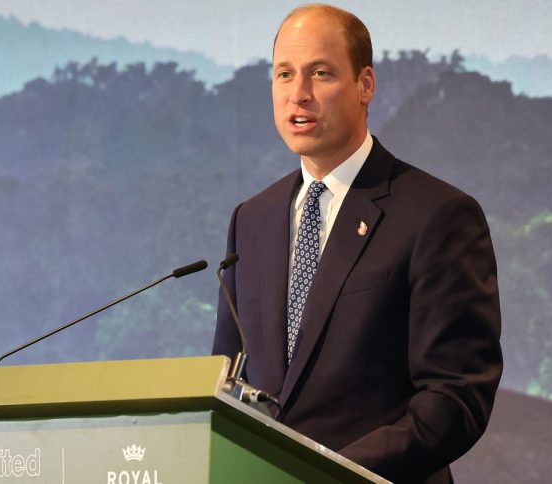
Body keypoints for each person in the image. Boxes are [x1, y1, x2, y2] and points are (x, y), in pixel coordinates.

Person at [212, 4, 502, 483]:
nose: (298, 95)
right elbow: (226, 381)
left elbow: (456, 396)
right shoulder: (252, 219)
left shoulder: (437, 215)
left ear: (365, 85)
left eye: (320, 74)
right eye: (284, 75)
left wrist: (331, 472)